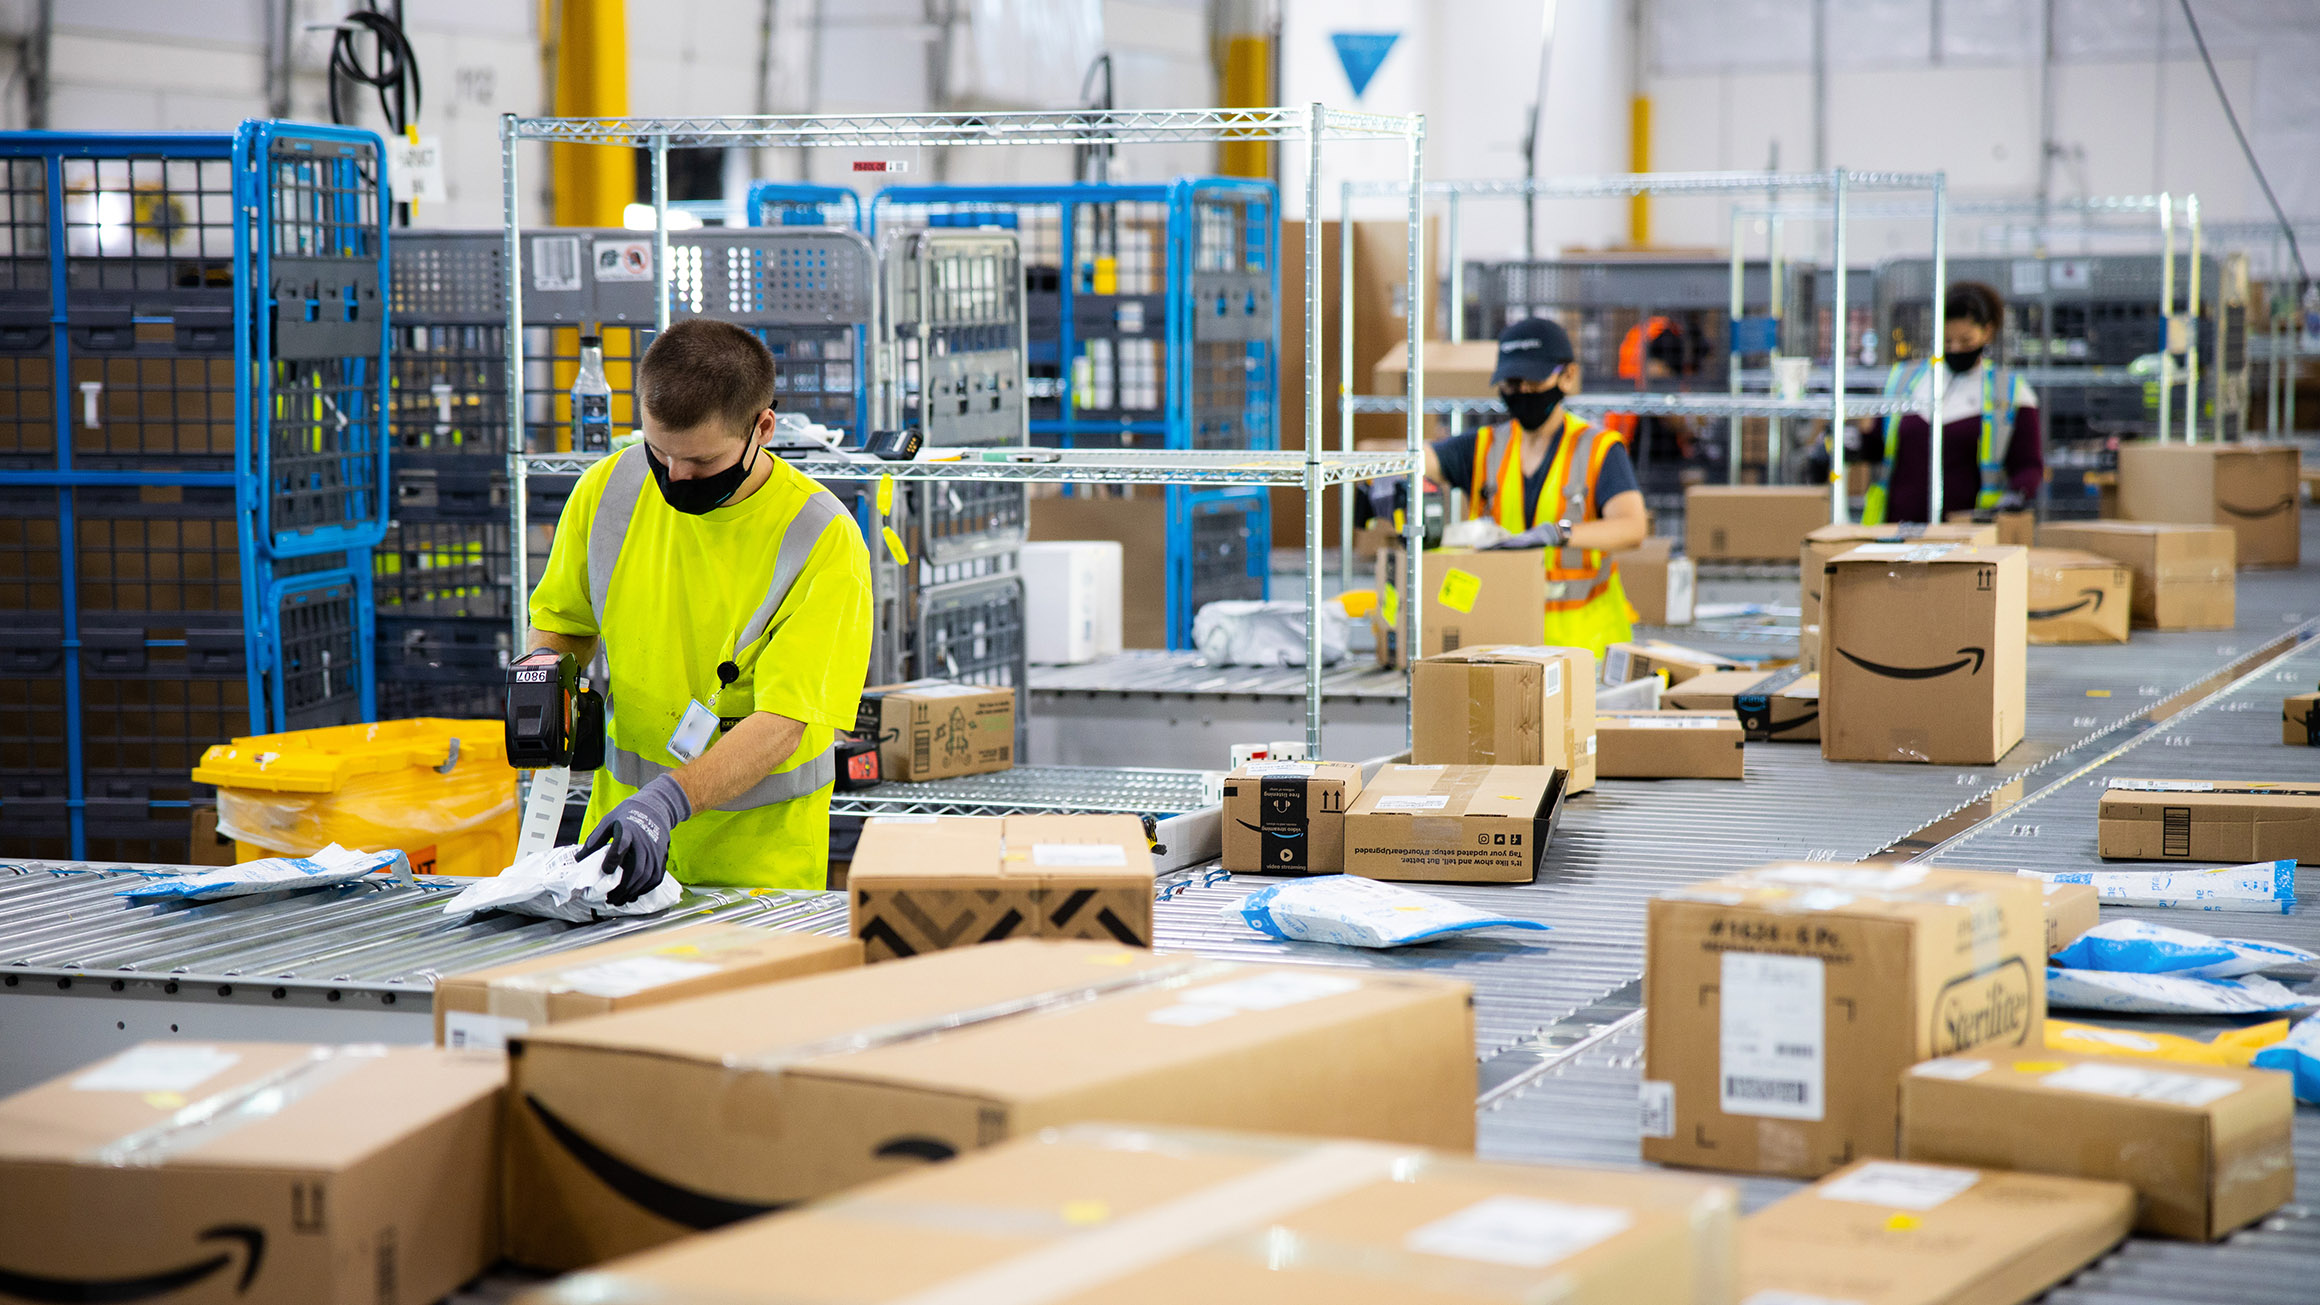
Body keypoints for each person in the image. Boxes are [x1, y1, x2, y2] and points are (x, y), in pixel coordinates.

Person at [525, 318, 874, 900]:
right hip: (617, 856)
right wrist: (542, 677)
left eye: (702, 462)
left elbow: (783, 724)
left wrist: (666, 802)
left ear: (763, 427)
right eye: (658, 451)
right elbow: (564, 621)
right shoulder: (606, 490)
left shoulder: (821, 538)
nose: (676, 476)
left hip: (759, 873)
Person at [1422, 317, 1650, 657]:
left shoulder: (1599, 449)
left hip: (1586, 654)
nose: (1523, 391)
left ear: (1567, 376)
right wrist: (1398, 482)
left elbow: (1633, 528)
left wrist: (1559, 533)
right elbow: (1414, 461)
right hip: (1502, 648)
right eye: (1513, 383)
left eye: (1533, 379)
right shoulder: (1482, 447)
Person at [1862, 281, 2045, 524]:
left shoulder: (2010, 392)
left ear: (1987, 332)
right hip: (1898, 527)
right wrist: (1846, 444)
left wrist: (2017, 494)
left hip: (1968, 534)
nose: (1956, 348)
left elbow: (2028, 464)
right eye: (1947, 342)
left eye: (1966, 341)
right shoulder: (1905, 379)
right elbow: (1878, 444)